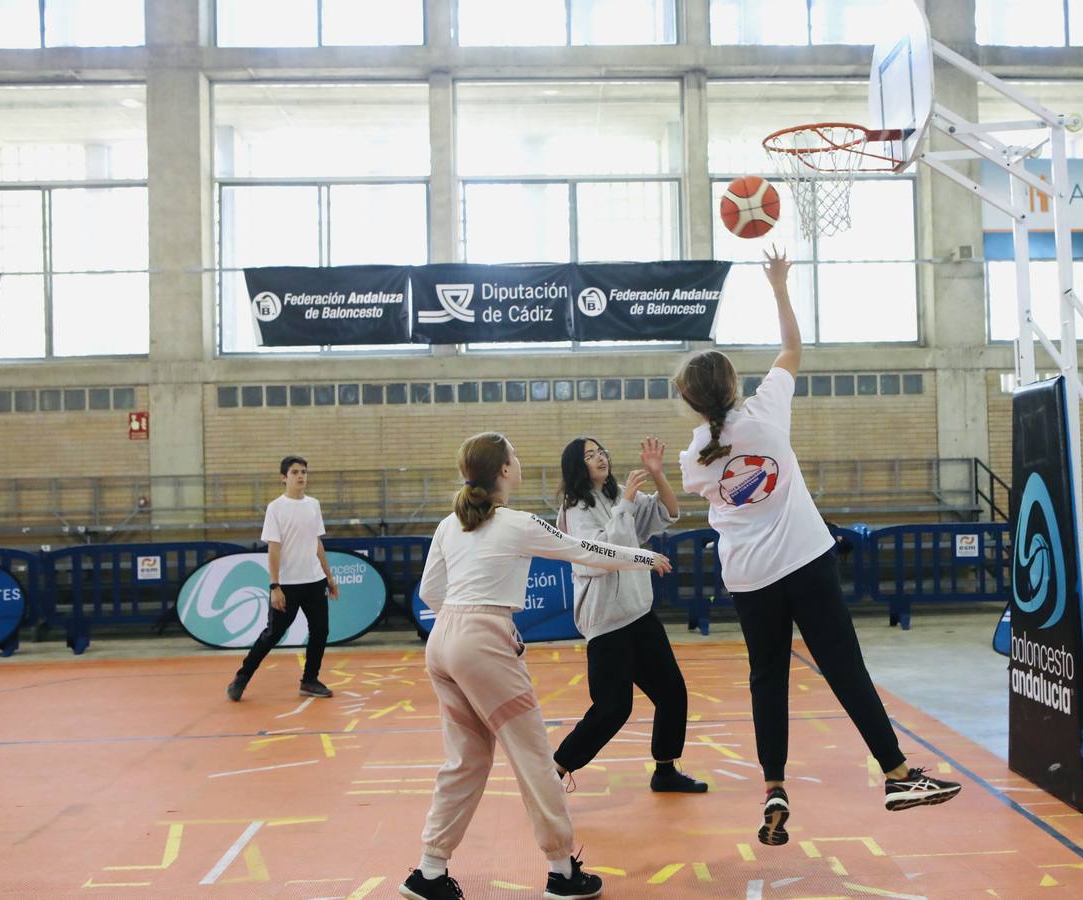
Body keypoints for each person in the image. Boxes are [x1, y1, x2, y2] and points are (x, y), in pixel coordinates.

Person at [674, 247, 961, 847]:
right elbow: (792, 348)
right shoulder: (768, 414)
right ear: (732, 386)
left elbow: (712, 493)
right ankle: (898, 773)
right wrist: (778, 286)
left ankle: (774, 787)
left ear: (692, 403)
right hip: (806, 562)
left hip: (750, 579)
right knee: (843, 668)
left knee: (766, 680)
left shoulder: (693, 458)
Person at [401, 432, 673, 900]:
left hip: (442, 642)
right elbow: (590, 552)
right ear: (504, 470)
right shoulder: (518, 522)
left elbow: (430, 593)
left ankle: (428, 871)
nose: (519, 461)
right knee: (534, 760)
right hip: (479, 643)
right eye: (514, 456)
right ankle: (562, 872)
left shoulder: (450, 524)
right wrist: (644, 557)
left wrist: (472, 619)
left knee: (465, 761)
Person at [551, 436, 707, 794]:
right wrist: (627, 503)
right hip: (606, 624)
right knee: (612, 709)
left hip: (638, 614)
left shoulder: (616, 494)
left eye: (601, 451)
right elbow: (606, 553)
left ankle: (665, 770)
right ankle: (555, 769)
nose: (599, 458)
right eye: (590, 456)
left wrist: (657, 474)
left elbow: (667, 512)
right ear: (578, 467)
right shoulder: (575, 509)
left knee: (672, 693)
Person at [227, 455, 337, 702]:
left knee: (320, 630)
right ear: (284, 477)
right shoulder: (276, 508)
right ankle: (241, 678)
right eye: (296, 472)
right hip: (287, 585)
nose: (301, 476)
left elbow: (316, 542)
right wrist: (274, 586)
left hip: (314, 581)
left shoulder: (313, 505)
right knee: (273, 634)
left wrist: (329, 576)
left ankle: (309, 680)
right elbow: (274, 548)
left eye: (304, 472)